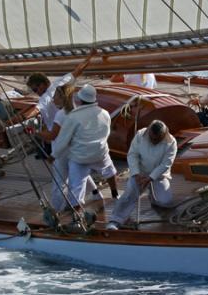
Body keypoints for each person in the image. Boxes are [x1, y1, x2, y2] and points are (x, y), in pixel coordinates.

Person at [52, 84, 118, 213]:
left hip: (80, 157)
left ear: (80, 99)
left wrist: (53, 155)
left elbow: (62, 140)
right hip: (100, 153)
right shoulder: (105, 113)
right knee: (110, 171)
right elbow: (106, 133)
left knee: (76, 187)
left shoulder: (73, 116)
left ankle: (77, 215)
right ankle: (115, 194)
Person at [106, 120, 177, 230]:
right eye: (152, 138)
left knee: (165, 201)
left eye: (157, 139)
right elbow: (132, 155)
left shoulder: (171, 142)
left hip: (159, 176)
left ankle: (154, 199)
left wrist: (150, 178)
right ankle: (116, 220)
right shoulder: (140, 135)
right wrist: (136, 173)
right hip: (139, 173)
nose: (154, 141)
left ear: (163, 135)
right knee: (129, 193)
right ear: (149, 132)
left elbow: (166, 164)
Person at [46, 84, 98, 212]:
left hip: (62, 153)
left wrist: (36, 133)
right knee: (81, 175)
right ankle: (97, 194)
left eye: (55, 96)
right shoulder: (77, 110)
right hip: (76, 149)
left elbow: (53, 136)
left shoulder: (60, 114)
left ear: (62, 98)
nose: (53, 99)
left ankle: (56, 209)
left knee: (59, 181)